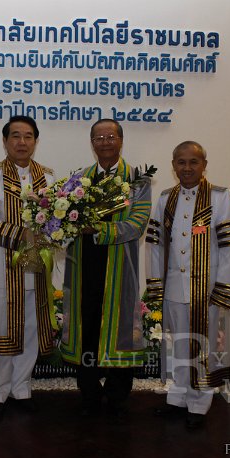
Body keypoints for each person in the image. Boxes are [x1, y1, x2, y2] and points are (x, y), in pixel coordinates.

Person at [145, 141, 230, 429]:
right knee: (176, 345)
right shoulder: (165, 198)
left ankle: (199, 405)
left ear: (204, 165)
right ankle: (178, 399)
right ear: (173, 165)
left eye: (193, 162)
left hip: (208, 291)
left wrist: (223, 288)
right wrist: (156, 284)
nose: (187, 168)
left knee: (202, 347)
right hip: (174, 288)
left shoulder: (221, 197)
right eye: (181, 162)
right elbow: (154, 245)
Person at [59, 119, 151, 422]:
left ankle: (117, 395)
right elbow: (64, 218)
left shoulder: (137, 179)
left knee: (120, 328)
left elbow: (137, 224)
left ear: (121, 141)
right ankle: (88, 392)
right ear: (92, 143)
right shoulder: (79, 178)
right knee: (86, 327)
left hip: (119, 266)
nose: (105, 142)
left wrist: (98, 228)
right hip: (83, 265)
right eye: (98, 137)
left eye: (110, 136)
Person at [0, 116, 54, 422]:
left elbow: (56, 220)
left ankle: (21, 389)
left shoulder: (47, 176)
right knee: (1, 333)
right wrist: (22, 235)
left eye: (28, 136)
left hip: (36, 272)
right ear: (5, 141)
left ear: (35, 141)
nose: (22, 142)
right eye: (16, 136)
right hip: (1, 270)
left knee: (30, 332)